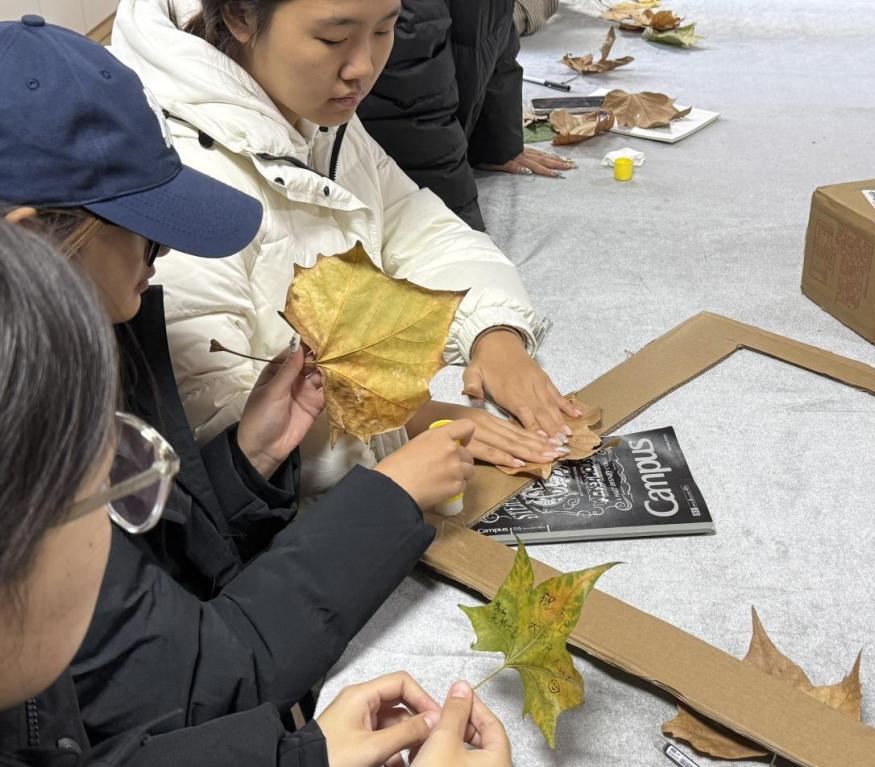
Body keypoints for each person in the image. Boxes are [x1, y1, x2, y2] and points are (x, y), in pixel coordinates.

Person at [0, 17, 488, 766]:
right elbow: (189, 676)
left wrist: (242, 466)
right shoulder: (32, 439)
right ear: (35, 240)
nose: (164, 252)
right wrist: (391, 497)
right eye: (142, 227)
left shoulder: (64, 351)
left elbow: (140, 598)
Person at [112, 0, 583, 499]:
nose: (363, 67)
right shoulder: (182, 173)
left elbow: (416, 226)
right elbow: (218, 430)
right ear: (240, 17)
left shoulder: (314, 114)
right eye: (334, 39)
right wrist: (403, 420)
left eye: (385, 30)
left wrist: (493, 331)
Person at [358, 0, 573, 232]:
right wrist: (455, 227)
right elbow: (410, 104)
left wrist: (494, 142)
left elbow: (494, 25)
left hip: (430, 140)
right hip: (383, 171)